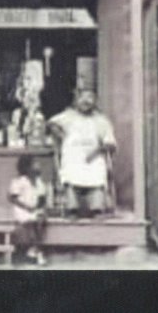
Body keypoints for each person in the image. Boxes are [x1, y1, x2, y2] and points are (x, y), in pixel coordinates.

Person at [48, 88, 117, 219]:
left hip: (94, 156)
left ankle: (96, 209)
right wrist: (61, 135)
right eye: (83, 98)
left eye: (90, 98)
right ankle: (72, 209)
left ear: (95, 101)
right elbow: (51, 123)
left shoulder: (101, 121)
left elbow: (110, 143)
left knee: (97, 171)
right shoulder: (68, 116)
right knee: (70, 171)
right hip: (73, 156)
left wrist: (96, 152)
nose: (86, 101)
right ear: (77, 100)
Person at [8, 154, 48, 266]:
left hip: (34, 209)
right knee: (31, 223)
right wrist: (26, 207)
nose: (38, 165)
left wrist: (39, 207)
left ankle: (34, 249)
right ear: (27, 167)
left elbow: (42, 198)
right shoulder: (19, 181)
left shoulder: (39, 181)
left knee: (40, 221)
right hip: (22, 209)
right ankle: (38, 253)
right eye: (35, 163)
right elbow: (12, 198)